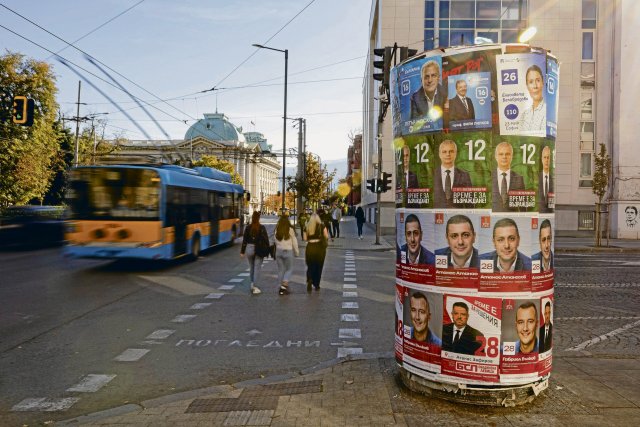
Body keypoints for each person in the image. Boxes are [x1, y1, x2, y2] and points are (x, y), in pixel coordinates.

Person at [433, 140, 473, 208]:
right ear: (439, 154)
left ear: (455, 153)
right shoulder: (433, 174)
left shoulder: (464, 175)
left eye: (451, 151)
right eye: (444, 152)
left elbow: (470, 204)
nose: (448, 154)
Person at [240, 211, 269, 295]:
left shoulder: (248, 227)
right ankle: (255, 287)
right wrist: (267, 250)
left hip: (249, 248)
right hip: (259, 249)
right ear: (259, 218)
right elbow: (266, 239)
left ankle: (252, 283)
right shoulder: (262, 227)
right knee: (257, 268)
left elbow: (244, 240)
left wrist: (242, 251)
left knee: (252, 267)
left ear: (252, 218)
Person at [492, 142, 525, 212]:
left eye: (507, 154)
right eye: (501, 154)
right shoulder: (489, 176)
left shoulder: (519, 178)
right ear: (496, 156)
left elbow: (523, 207)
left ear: (512, 156)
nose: (504, 157)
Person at [273, 214, 299, 295]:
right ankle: (283, 286)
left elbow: (274, 240)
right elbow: (294, 241)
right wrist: (296, 252)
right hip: (288, 251)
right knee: (289, 269)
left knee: (281, 270)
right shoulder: (290, 229)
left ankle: (280, 287)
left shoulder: (277, 229)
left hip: (279, 251)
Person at [304, 210, 329, 291]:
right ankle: (316, 284)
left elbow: (305, 239)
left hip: (310, 247)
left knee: (310, 265)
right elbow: (326, 236)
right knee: (319, 266)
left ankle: (310, 279)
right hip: (319, 248)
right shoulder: (322, 225)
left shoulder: (307, 226)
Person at [519, 64, 546, 133]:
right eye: (531, 82)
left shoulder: (547, 112)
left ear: (543, 82)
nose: (535, 86)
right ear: (527, 86)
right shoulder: (524, 115)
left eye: (538, 80)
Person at [539, 146, 554, 213]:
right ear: (541, 159)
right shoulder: (537, 177)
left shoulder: (553, 179)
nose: (546, 160)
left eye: (548, 157)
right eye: (544, 157)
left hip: (549, 214)